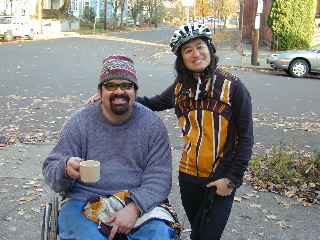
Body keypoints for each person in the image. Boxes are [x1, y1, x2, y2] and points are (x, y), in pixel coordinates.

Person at [86, 24, 254, 240]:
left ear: (210, 49)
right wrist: (113, 96)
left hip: (220, 177)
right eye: (188, 50)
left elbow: (246, 137)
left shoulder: (233, 88)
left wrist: (232, 179)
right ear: (181, 58)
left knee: (208, 236)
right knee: (196, 231)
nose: (196, 54)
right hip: (189, 177)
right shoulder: (180, 88)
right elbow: (152, 102)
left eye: (200, 47)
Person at [43, 55, 181, 240]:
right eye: (110, 86)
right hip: (84, 200)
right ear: (100, 92)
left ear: (134, 91)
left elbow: (160, 177)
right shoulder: (80, 122)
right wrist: (65, 168)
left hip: (137, 199)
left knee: (160, 235)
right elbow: (51, 168)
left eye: (126, 85)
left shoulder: (152, 125)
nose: (119, 91)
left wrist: (134, 208)